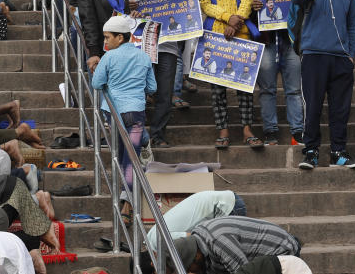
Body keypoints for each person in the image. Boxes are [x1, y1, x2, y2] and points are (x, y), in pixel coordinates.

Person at [293, 0, 355, 169]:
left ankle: (338, 152)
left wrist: (351, 54)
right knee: (312, 106)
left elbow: (353, 25)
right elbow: (295, 1)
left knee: (340, 108)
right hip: (313, 55)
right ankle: (311, 152)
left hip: (341, 58)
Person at [196, 0, 262, 148]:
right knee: (217, 88)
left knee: (244, 85)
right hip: (215, 34)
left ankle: (247, 130)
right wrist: (228, 18)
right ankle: (223, 131)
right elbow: (205, 4)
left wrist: (237, 21)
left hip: (241, 32)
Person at [90, 15, 155, 223]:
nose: (105, 42)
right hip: (136, 113)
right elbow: (152, 87)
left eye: (108, 38)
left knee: (122, 156)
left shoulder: (109, 57)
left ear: (120, 37)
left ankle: (126, 204)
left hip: (115, 113)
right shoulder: (144, 57)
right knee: (132, 157)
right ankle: (127, 202)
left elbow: (97, 83)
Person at [250, 0, 308, 145]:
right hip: (266, 39)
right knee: (267, 89)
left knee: (294, 89)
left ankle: (298, 131)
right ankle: (270, 131)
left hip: (292, 39)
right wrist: (252, 5)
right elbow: (246, 0)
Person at [129, 0, 187, 148]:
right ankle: (137, 135)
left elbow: (185, 16)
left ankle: (159, 136)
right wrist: (133, 12)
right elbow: (128, 17)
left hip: (168, 48)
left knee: (164, 93)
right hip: (141, 49)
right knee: (138, 91)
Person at [168, 217, 301, 274]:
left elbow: (245, 272)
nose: (192, 271)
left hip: (283, 250)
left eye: (190, 268)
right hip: (257, 258)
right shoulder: (201, 240)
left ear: (195, 256)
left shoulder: (218, 241)